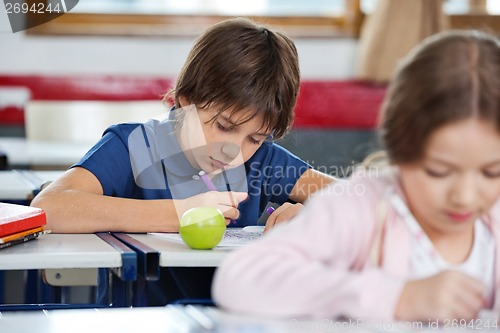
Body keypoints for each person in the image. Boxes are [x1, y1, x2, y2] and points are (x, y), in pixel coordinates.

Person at [30, 17, 335, 305]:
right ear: (186, 99)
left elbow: (364, 204)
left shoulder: (265, 161)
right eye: (224, 127)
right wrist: (179, 213)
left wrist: (311, 218)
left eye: (255, 138)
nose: (235, 153)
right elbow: (50, 207)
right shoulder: (134, 147)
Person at [212, 29, 500, 323]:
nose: (465, 196)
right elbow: (239, 280)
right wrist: (394, 297)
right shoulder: (361, 209)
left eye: (492, 173)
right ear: (400, 146)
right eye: (439, 172)